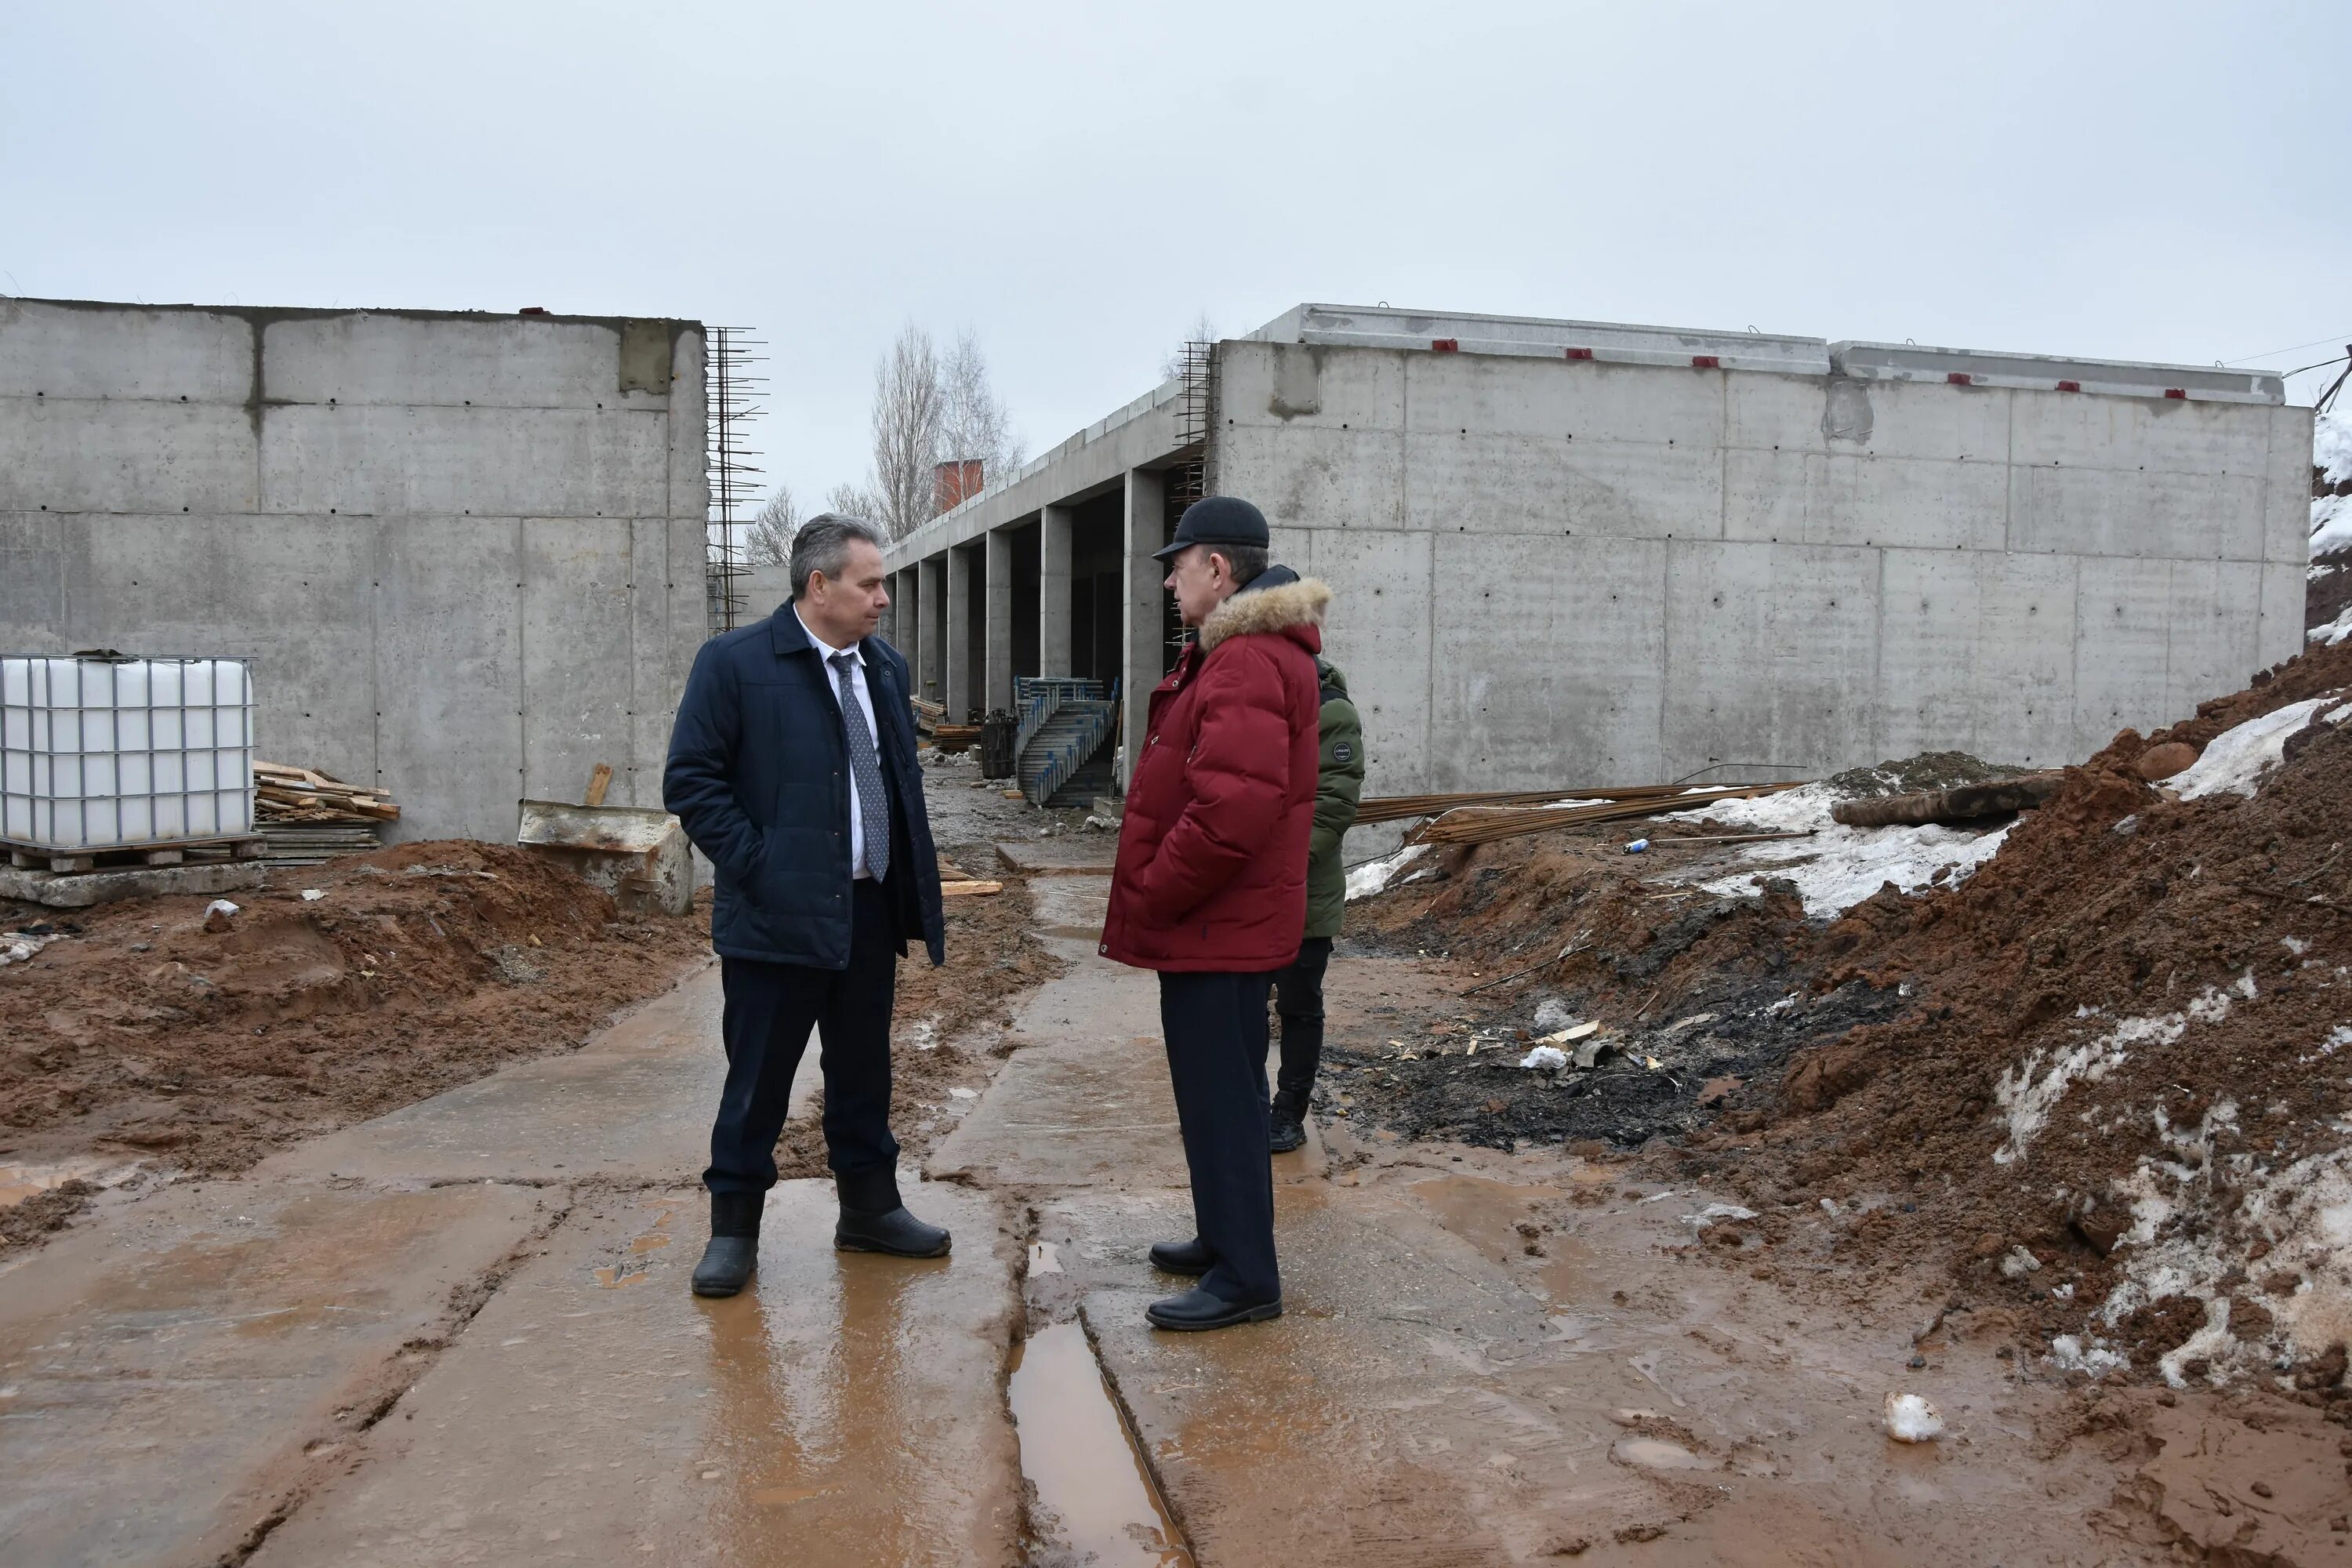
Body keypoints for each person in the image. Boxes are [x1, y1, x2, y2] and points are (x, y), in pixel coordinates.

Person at [664, 514, 950, 1298]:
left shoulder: (882, 667)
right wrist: (763, 867)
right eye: (870, 584)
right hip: (774, 919)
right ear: (819, 585)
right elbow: (691, 780)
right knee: (758, 1079)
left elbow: (894, 782)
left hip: (866, 909)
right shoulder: (735, 663)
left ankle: (870, 1209)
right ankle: (733, 1230)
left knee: (863, 1071)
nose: (883, 598)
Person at [1100, 495, 1329, 1331]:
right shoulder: (1246, 654)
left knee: (1223, 1100)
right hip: (1222, 926)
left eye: (1179, 566)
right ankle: (1225, 1237)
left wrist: (1154, 889)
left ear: (1219, 568)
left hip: (1214, 926)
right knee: (1216, 1093)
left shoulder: (1246, 661)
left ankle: (1245, 1278)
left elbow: (1231, 813)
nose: (1170, 582)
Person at [1267, 656, 1364, 1152]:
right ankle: (1242, 1105)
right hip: (1245, 889)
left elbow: (1334, 803)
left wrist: (1283, 866)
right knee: (1239, 1006)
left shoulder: (1330, 708)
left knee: (1299, 1006)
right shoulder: (1252, 694)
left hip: (1303, 892)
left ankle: (1288, 1113)